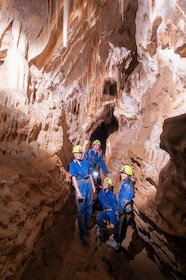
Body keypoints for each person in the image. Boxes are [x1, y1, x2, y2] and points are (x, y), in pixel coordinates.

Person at [69, 145, 95, 245]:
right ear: (74, 154)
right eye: (77, 153)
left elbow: (90, 175)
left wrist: (93, 186)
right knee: (81, 211)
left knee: (89, 209)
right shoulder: (72, 165)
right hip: (80, 185)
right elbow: (74, 178)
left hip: (88, 184)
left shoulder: (85, 163)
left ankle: (85, 228)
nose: (79, 155)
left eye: (80, 153)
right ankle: (82, 234)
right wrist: (78, 192)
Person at [107, 164, 134, 251]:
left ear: (128, 175)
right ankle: (118, 240)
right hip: (126, 210)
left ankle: (116, 243)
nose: (122, 175)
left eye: (124, 173)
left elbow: (124, 200)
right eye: (122, 173)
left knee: (119, 226)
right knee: (122, 226)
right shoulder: (127, 183)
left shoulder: (126, 185)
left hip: (124, 210)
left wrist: (118, 210)